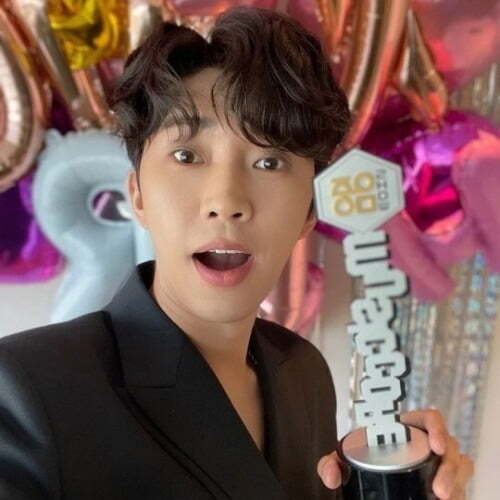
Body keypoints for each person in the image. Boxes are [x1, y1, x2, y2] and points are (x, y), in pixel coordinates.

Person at [0, 6, 473, 499]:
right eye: (187, 156)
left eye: (269, 162)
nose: (226, 201)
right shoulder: (26, 388)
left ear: (309, 211)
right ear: (137, 194)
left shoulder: (303, 374)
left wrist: (389, 484)